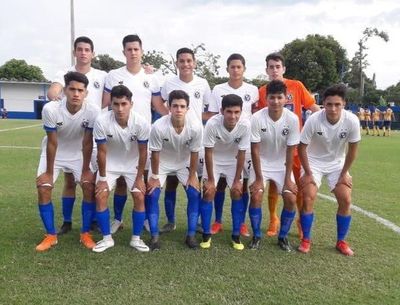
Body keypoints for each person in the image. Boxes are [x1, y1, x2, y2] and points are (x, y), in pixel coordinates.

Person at [102, 34, 168, 234]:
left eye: (136, 49)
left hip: (143, 137)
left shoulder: (151, 78)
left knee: (145, 180)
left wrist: (176, 119)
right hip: (118, 136)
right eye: (129, 49)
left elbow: (158, 105)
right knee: (121, 181)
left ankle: (146, 219)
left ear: (142, 51)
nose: (132, 52)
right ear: (124, 52)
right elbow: (105, 104)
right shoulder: (113, 75)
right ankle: (118, 219)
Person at [46, 36, 107, 235]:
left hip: (93, 131)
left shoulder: (102, 75)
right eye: (79, 49)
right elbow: (54, 90)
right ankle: (67, 221)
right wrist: (55, 97)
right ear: (74, 52)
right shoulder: (64, 73)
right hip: (69, 134)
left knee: (94, 179)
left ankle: (95, 220)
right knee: (70, 180)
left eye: (87, 49)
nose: (83, 53)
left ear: (93, 53)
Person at [35, 72, 100, 251]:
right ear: (64, 90)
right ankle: (50, 235)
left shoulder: (92, 111)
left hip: (78, 153)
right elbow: (52, 143)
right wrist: (48, 172)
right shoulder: (51, 109)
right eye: (72, 89)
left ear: (86, 93)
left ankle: (86, 233)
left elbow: (87, 142)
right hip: (54, 154)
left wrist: (87, 168)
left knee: (88, 185)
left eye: (80, 90)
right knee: (43, 188)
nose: (76, 94)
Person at [257, 52, 320, 237]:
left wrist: (325, 122)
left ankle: (301, 220)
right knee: (274, 186)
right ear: (266, 70)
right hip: (273, 146)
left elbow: (313, 108)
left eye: (278, 66)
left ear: (283, 69)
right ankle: (273, 218)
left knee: (298, 186)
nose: (274, 70)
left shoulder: (297, 86)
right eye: (271, 67)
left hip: (296, 145)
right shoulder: (262, 91)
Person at [298, 84, 361, 256]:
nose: (333, 108)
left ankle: (341, 241)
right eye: (329, 104)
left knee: (346, 199)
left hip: (337, 164)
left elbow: (353, 150)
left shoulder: (352, 120)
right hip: (313, 163)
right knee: (308, 196)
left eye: (337, 104)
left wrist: (343, 173)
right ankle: (306, 239)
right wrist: (308, 173)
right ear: (323, 104)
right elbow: (301, 148)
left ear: (344, 104)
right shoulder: (313, 119)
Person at [92, 85, 151, 253]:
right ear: (110, 104)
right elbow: (101, 152)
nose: (119, 108)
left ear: (131, 104)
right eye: (116, 104)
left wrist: (140, 178)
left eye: (124, 104)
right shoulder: (102, 121)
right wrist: (102, 179)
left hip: (133, 164)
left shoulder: (141, 122)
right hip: (110, 163)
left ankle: (136, 239)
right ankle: (106, 239)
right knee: (101, 195)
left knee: (139, 196)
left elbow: (143, 152)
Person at [205, 53, 259, 237]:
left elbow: (256, 114)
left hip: (243, 142)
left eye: (239, 67)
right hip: (221, 143)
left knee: (240, 186)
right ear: (227, 69)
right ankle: (218, 221)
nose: (235, 70)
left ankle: (241, 224)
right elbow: (212, 114)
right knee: (218, 185)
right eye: (232, 67)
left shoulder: (253, 90)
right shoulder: (218, 89)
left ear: (244, 68)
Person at [158, 47, 211, 234]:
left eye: (189, 60)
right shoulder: (169, 82)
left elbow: (210, 110)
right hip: (172, 141)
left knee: (195, 181)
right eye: (182, 61)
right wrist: (170, 117)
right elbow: (157, 101)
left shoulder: (203, 83)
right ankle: (170, 221)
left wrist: (195, 121)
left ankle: (195, 222)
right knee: (171, 182)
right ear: (177, 63)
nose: (186, 64)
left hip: (195, 140)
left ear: (194, 63)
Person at [147, 90, 203, 249]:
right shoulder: (158, 126)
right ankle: (155, 237)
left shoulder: (195, 127)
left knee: (194, 193)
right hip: (162, 163)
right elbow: (155, 153)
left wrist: (192, 176)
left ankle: (191, 235)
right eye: (175, 106)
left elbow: (194, 152)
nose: (178, 109)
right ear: (169, 107)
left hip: (183, 162)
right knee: (152, 194)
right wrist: (155, 176)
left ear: (188, 108)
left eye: (182, 106)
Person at [248, 80, 300, 251]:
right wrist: (259, 179)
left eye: (280, 97)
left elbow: (291, 151)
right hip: (260, 164)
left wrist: (287, 180)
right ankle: (256, 235)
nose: (276, 101)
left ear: (286, 98)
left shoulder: (292, 119)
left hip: (282, 165)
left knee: (291, 197)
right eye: (272, 97)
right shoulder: (256, 118)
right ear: (266, 98)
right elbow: (255, 150)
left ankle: (283, 237)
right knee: (256, 195)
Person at [200, 94, 250, 250]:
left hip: (233, 161)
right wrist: (210, 180)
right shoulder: (212, 124)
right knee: (209, 191)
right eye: (229, 111)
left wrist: (237, 180)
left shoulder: (246, 125)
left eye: (237, 112)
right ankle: (206, 234)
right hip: (213, 160)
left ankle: (236, 236)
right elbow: (208, 152)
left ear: (241, 112)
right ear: (221, 111)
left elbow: (242, 153)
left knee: (236, 191)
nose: (233, 116)